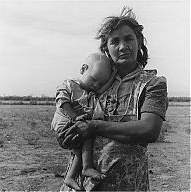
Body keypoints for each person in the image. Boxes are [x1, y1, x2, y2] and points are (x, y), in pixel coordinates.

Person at [53, 7, 168, 191]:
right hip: (82, 187)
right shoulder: (95, 81)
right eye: (115, 41)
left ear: (139, 41)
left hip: (127, 184)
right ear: (106, 48)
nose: (123, 46)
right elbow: (68, 114)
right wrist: (68, 135)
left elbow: (149, 129)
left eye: (129, 38)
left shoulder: (152, 84)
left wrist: (95, 126)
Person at [51, 53, 116, 190]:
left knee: (85, 141)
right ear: (83, 69)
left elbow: (103, 89)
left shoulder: (90, 91)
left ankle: (76, 173)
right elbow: (63, 102)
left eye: (99, 83)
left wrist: (112, 77)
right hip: (65, 121)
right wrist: (75, 117)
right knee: (82, 142)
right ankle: (79, 171)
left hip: (78, 123)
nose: (95, 85)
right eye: (93, 79)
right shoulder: (69, 84)